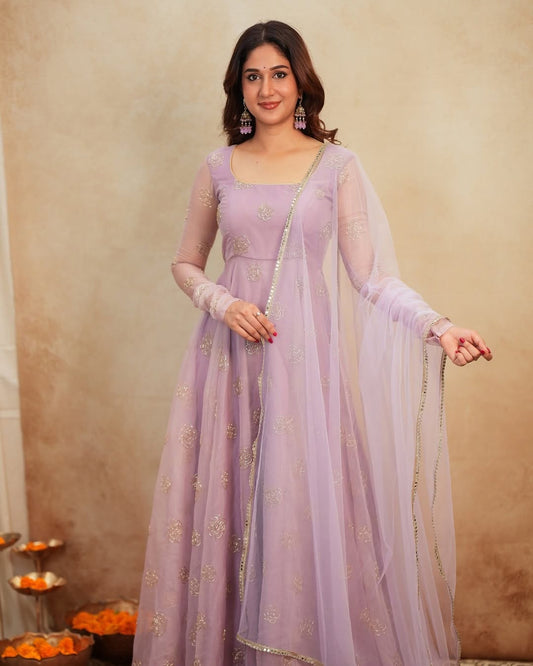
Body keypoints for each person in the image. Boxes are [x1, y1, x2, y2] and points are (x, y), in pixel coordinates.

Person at [132, 20, 492, 666]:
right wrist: (222, 302)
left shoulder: (336, 167)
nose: (266, 89)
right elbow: (185, 262)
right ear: (237, 87)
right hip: (227, 363)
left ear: (300, 82)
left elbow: (369, 277)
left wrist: (437, 326)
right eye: (252, 76)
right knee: (226, 504)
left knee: (297, 510)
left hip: (305, 372)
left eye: (278, 74)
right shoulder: (217, 167)